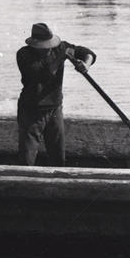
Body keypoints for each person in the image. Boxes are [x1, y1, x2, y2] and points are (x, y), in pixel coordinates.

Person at [16, 22, 96, 167]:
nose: (47, 50)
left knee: (58, 156)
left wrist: (86, 64)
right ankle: (25, 186)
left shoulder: (60, 47)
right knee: (27, 159)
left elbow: (87, 52)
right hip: (32, 111)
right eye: (43, 47)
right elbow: (42, 77)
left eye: (49, 46)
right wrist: (60, 59)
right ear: (34, 44)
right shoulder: (24, 54)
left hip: (55, 108)